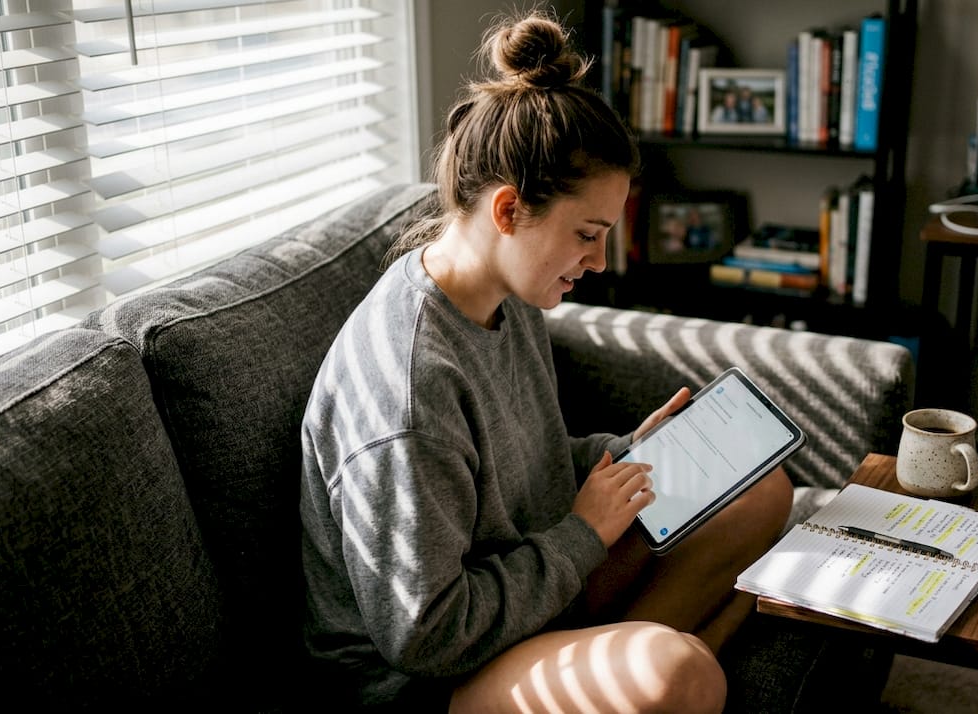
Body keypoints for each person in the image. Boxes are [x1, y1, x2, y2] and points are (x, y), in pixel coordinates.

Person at [298, 9, 793, 713]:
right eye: (587, 234)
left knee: (760, 490)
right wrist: (585, 534)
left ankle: (643, 667)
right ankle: (669, 669)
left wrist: (625, 453)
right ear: (508, 211)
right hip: (429, 675)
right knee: (679, 674)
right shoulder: (410, 390)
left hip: (530, 583)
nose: (600, 260)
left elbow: (519, 468)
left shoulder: (508, 293)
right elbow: (424, 635)